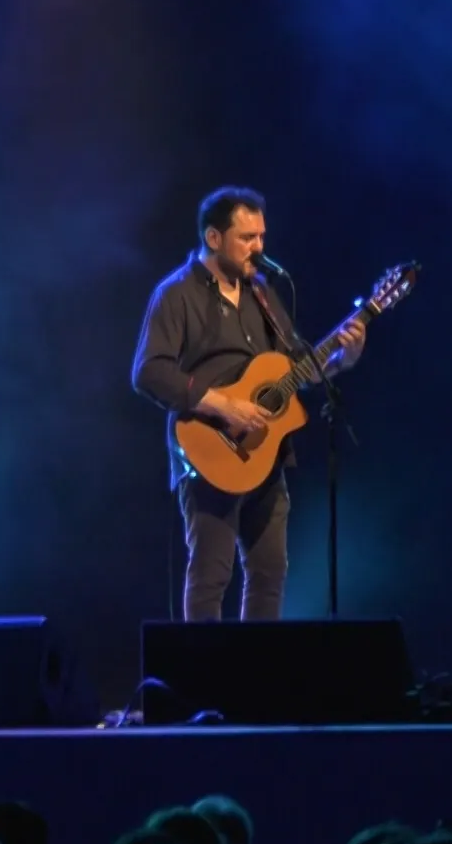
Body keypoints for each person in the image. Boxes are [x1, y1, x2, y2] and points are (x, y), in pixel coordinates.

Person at [131, 186, 366, 621]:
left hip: (265, 457)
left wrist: (340, 360)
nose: (258, 248)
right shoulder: (176, 293)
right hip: (209, 455)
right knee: (211, 576)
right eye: (247, 238)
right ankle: (199, 684)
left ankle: (255, 681)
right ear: (214, 238)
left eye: (261, 237)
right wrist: (221, 404)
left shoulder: (261, 292)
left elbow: (298, 369)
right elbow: (149, 371)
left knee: (270, 571)